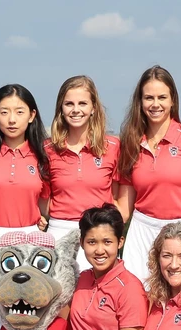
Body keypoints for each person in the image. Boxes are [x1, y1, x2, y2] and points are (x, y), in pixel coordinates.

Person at [117, 66, 181, 285]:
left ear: (172, 100)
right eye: (148, 98)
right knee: (137, 297)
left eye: (162, 97)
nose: (155, 104)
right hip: (141, 232)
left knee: (178, 298)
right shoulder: (131, 143)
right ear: (140, 102)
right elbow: (124, 207)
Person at [0, 84, 50, 271]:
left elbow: (44, 204)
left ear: (32, 115)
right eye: (4, 112)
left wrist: (41, 220)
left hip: (28, 240)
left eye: (19, 112)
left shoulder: (43, 156)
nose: (12, 119)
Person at [45, 76, 123, 270]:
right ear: (61, 108)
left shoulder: (113, 147)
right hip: (59, 234)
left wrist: (107, 229)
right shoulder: (47, 149)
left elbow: (118, 198)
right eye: (69, 104)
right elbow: (44, 200)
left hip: (99, 235)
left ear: (93, 107)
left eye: (82, 103)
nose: (75, 110)